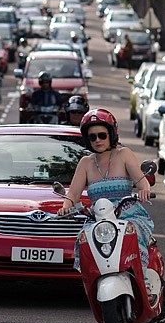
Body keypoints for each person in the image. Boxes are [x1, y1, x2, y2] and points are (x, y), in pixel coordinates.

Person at [57, 109, 155, 302]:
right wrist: (66, 205)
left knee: (135, 236)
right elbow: (73, 194)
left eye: (102, 135)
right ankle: (94, 285)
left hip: (128, 213)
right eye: (92, 137)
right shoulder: (85, 163)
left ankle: (146, 284)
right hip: (98, 217)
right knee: (84, 241)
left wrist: (144, 188)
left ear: (112, 135)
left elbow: (140, 179)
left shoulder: (124, 154)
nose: (97, 140)